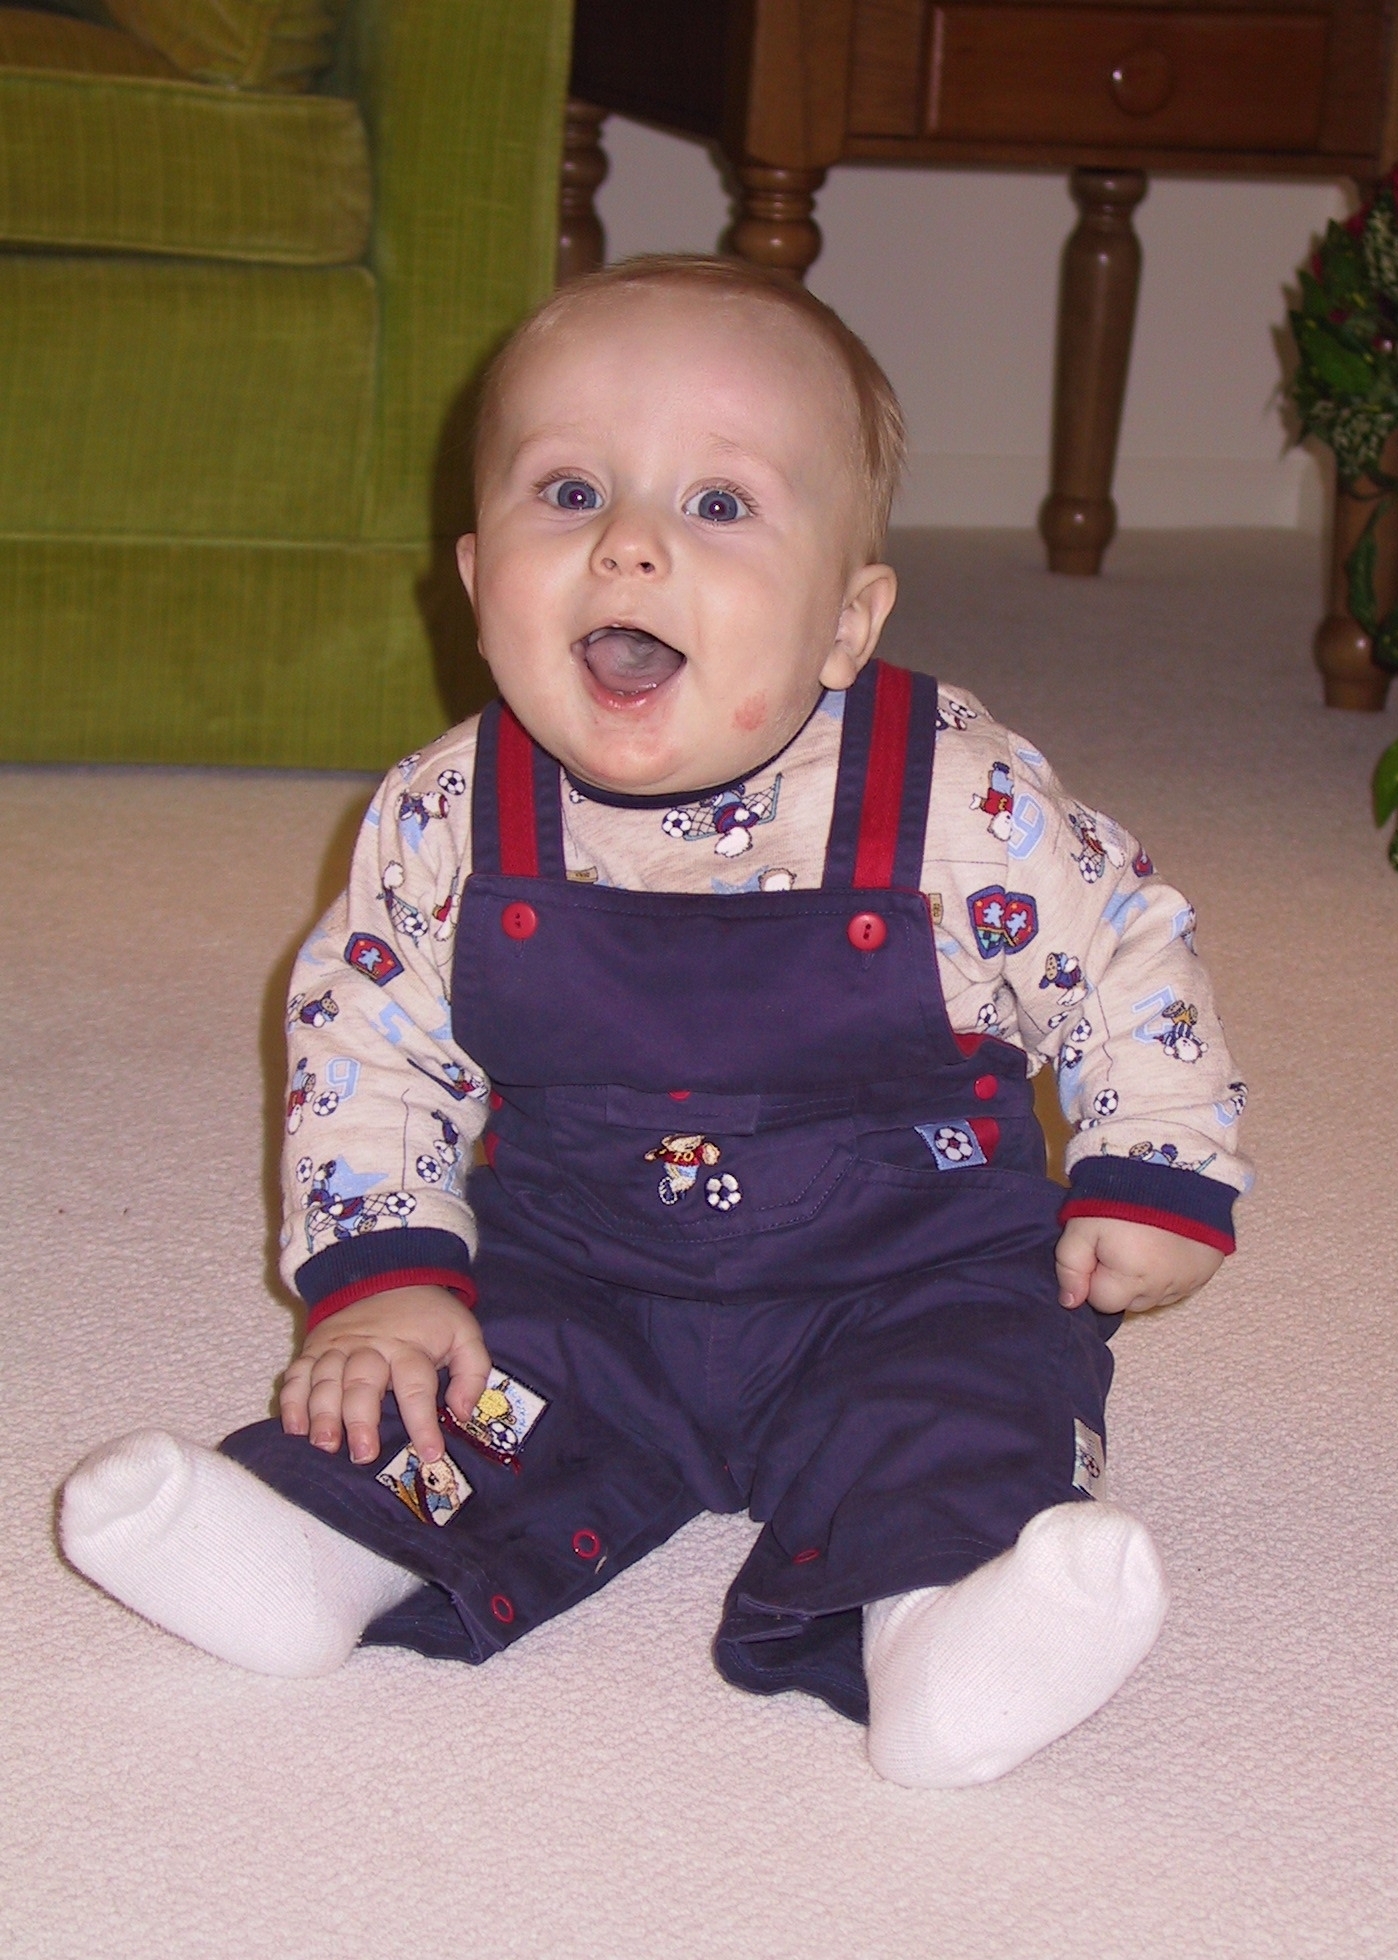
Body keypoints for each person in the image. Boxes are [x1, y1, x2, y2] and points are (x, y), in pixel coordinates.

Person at [60, 255, 1249, 1789]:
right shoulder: (444, 814)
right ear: (477, 579)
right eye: (569, 493)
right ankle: (313, 1554)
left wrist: (1153, 1167)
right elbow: (367, 1042)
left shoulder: (957, 798)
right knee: (445, 1392)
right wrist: (386, 1277)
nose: (626, 545)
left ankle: (938, 1633)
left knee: (965, 1411)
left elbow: (1124, 947)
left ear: (845, 621)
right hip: (582, 1275)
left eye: (718, 503)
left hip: (907, 1278)